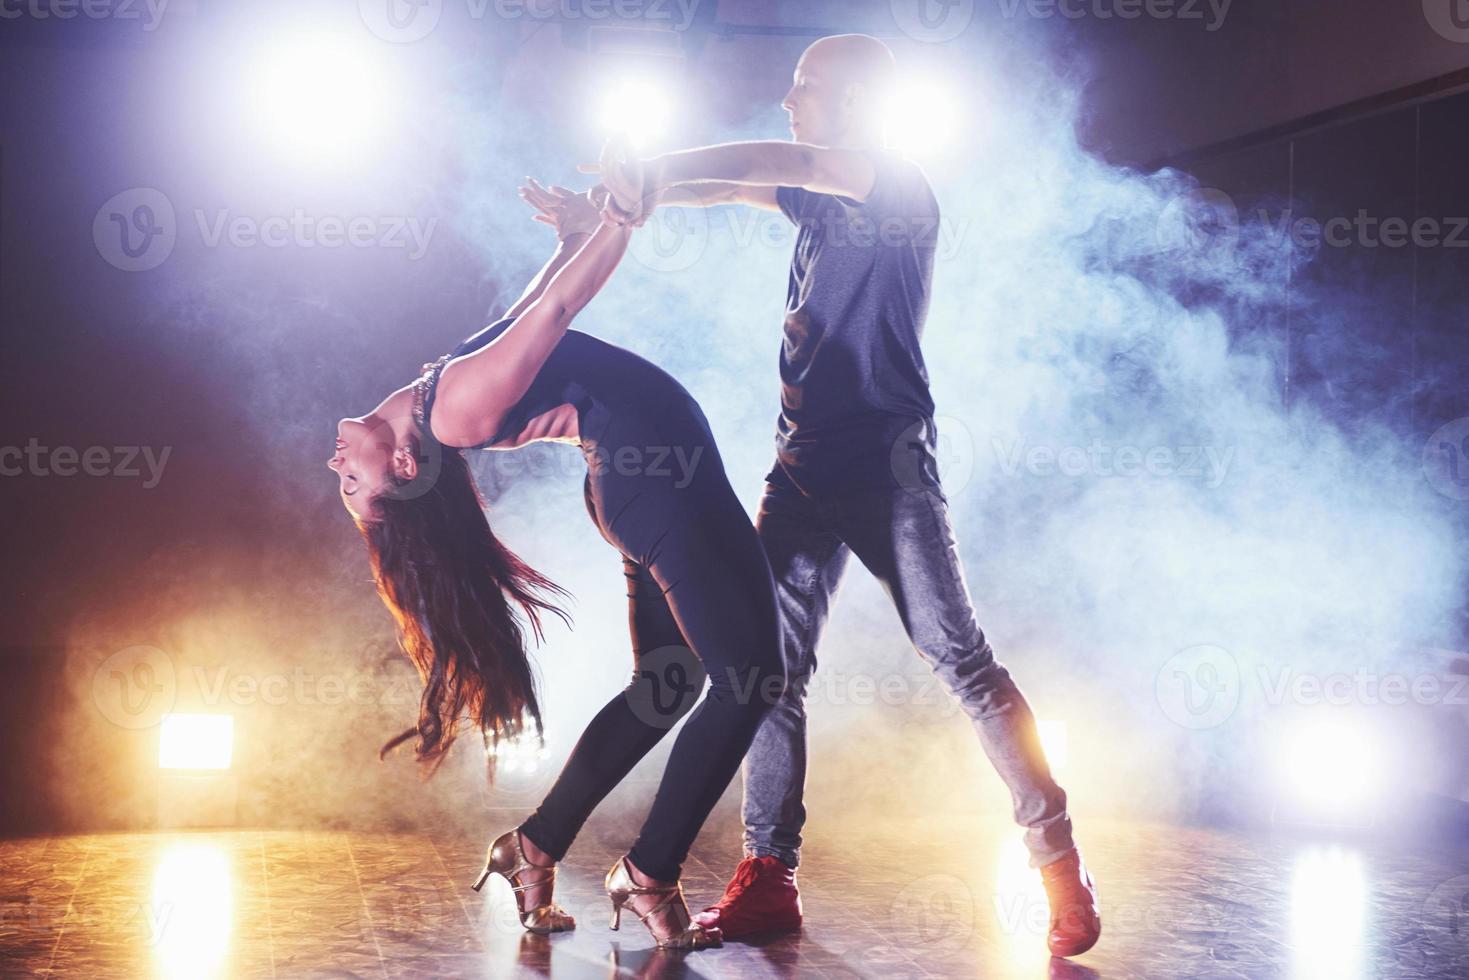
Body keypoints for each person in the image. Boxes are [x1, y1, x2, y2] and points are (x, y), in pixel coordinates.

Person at [586, 34, 1102, 957]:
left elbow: (765, 158)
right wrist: (638, 195)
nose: (788, 101)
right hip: (798, 467)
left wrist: (652, 164)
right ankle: (768, 875)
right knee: (762, 669)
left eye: (806, 88)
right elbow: (738, 183)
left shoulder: (893, 184)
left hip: (885, 467)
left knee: (960, 657)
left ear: (857, 106)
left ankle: (1056, 859)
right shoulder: (819, 206)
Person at [329, 153, 784, 951]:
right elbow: (561, 311)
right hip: (657, 490)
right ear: (402, 468)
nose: (336, 467)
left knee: (669, 685)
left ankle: (533, 846)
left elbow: (537, 304)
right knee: (749, 680)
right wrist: (620, 219)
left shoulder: (439, 392)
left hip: (645, 485)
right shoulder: (452, 415)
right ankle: (648, 873)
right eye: (350, 486)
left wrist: (574, 233)